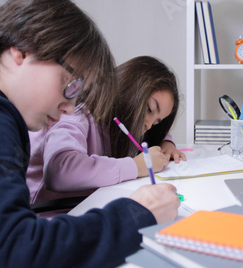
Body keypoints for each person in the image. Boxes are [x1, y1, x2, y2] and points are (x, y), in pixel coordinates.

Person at [0, 1, 179, 267]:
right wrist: (136, 216)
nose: (70, 106)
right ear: (22, 50)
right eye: (71, 85)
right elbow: (15, 251)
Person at [27, 56, 186, 215]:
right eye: (149, 109)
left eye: (157, 122)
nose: (149, 125)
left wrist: (166, 143)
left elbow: (159, 132)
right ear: (129, 88)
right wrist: (135, 166)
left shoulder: (126, 124)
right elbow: (60, 171)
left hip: (90, 209)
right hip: (53, 218)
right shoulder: (78, 114)